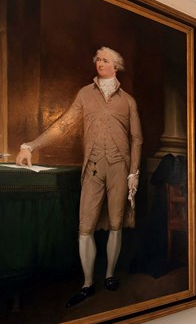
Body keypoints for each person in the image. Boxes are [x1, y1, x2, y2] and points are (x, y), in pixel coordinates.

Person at [16, 46, 143, 307]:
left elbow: (137, 139)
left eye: (105, 60)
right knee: (85, 227)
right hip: (93, 168)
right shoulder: (85, 94)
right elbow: (63, 125)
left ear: (116, 66)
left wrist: (134, 172)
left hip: (120, 168)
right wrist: (30, 145)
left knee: (116, 223)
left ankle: (109, 275)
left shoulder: (128, 101)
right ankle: (87, 283)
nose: (99, 62)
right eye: (97, 59)